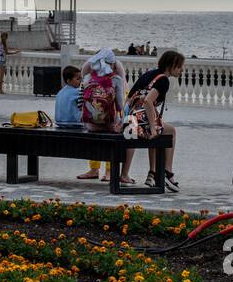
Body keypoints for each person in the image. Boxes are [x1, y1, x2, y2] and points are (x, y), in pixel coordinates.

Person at [125, 50, 185, 192]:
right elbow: (147, 101)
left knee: (159, 130)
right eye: (180, 66)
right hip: (141, 122)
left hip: (130, 119)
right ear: (171, 65)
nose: (182, 70)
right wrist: (152, 127)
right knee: (170, 131)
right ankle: (167, 171)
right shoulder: (163, 80)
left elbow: (129, 99)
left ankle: (152, 173)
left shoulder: (149, 74)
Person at [79, 48, 127, 181]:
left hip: (90, 125)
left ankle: (94, 169)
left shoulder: (88, 78)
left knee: (94, 137)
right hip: (109, 124)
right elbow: (119, 106)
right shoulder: (116, 79)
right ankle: (109, 172)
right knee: (112, 135)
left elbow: (82, 99)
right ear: (113, 64)